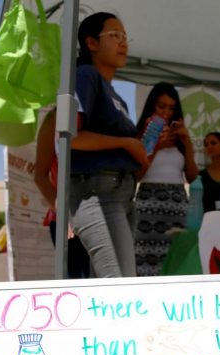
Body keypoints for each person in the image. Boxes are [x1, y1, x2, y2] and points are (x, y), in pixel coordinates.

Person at [69, 12, 148, 278]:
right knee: (119, 287)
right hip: (97, 192)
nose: (123, 42)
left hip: (123, 196)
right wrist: (127, 143)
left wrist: (137, 153)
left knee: (114, 286)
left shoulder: (116, 97)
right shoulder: (85, 76)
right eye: (115, 35)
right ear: (91, 43)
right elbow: (71, 137)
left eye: (126, 37)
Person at [133, 82, 199, 276]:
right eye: (161, 106)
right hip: (148, 204)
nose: (166, 112)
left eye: (171, 108)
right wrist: (156, 147)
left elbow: (192, 176)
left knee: (175, 259)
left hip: (176, 203)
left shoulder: (179, 139)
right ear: (151, 106)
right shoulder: (139, 134)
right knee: (145, 260)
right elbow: (136, 175)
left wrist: (187, 144)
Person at [34, 108, 91, 278]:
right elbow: (40, 176)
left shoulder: (101, 117)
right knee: (73, 283)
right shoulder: (55, 118)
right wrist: (64, 214)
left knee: (98, 282)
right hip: (64, 219)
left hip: (97, 215)